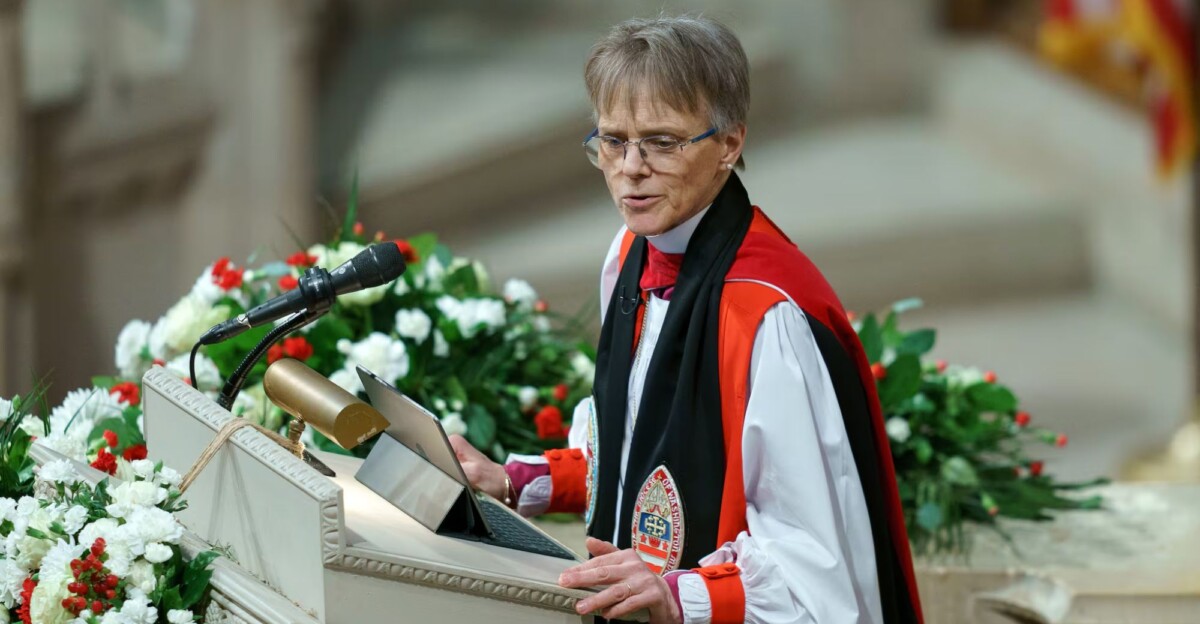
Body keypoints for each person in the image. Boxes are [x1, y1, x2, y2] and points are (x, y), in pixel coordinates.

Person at [449, 15, 923, 624]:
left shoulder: (765, 315)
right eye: (612, 140)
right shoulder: (630, 253)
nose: (631, 168)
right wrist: (517, 479)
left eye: (663, 142)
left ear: (729, 144)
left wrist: (680, 594)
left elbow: (813, 571)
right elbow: (643, 452)